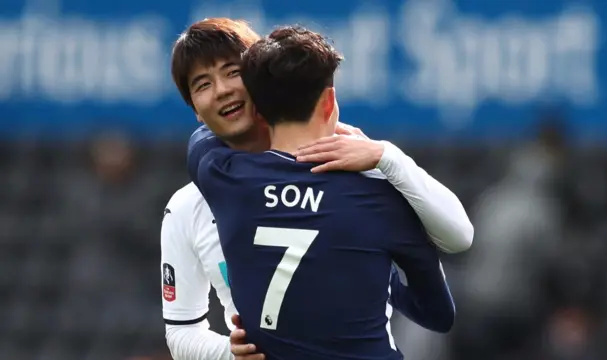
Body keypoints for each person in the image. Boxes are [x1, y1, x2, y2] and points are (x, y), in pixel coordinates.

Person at [163, 18, 473, 360]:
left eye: (233, 72)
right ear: (193, 109)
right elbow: (181, 331)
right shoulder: (188, 206)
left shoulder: (217, 172)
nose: (222, 89)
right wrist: (227, 352)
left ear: (261, 80)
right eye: (203, 84)